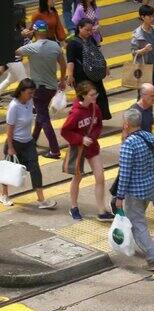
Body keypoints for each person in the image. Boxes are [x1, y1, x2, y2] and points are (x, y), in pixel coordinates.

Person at [109, 84, 154, 224]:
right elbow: (124, 133)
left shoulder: (149, 109)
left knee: (152, 179)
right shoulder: (133, 111)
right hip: (136, 150)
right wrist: (126, 151)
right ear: (143, 95)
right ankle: (118, 199)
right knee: (132, 178)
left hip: (147, 147)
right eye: (152, 96)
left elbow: (150, 127)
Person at [115, 108, 154, 272]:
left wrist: (119, 197)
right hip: (149, 189)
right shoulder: (151, 138)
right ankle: (136, 246)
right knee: (135, 220)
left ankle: (153, 258)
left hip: (134, 192)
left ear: (126, 124)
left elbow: (124, 174)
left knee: (138, 224)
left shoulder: (128, 145)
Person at [0, 79, 58, 209]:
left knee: (35, 169)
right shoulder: (14, 107)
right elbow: (9, 129)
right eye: (29, 93)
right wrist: (10, 147)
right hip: (15, 143)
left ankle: (41, 200)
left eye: (33, 93)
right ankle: (4, 195)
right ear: (21, 91)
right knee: (9, 169)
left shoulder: (29, 101)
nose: (32, 95)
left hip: (28, 142)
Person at [61, 81, 113, 221]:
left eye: (95, 94)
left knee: (100, 177)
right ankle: (73, 207)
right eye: (92, 95)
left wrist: (91, 137)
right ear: (83, 96)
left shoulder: (95, 108)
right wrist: (80, 139)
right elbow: (65, 131)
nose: (95, 96)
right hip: (78, 149)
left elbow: (99, 125)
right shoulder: (75, 113)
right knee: (77, 177)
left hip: (92, 147)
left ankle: (102, 211)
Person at [16, 20, 67, 160]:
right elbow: (63, 65)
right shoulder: (55, 46)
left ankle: (55, 150)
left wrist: (23, 36)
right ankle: (33, 139)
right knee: (41, 112)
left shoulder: (32, 47)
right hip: (51, 87)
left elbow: (16, 52)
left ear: (35, 32)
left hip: (38, 89)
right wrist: (62, 80)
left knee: (44, 118)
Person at [66, 18, 111, 120]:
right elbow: (70, 61)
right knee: (85, 99)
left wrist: (105, 66)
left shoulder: (91, 39)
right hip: (81, 77)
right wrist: (70, 75)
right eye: (87, 30)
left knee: (99, 97)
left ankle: (97, 119)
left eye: (91, 30)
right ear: (79, 28)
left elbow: (98, 54)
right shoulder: (72, 43)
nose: (89, 32)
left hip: (95, 74)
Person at [131, 5, 154, 92]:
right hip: (144, 69)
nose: (152, 18)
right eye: (149, 16)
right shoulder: (137, 34)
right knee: (144, 94)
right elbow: (133, 52)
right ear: (142, 17)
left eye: (153, 16)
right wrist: (143, 51)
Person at [0, 5, 30, 93]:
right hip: (13, 60)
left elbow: (25, 41)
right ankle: (32, 105)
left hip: (17, 58)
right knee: (26, 83)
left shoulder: (19, 25)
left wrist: (29, 35)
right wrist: (21, 35)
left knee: (10, 80)